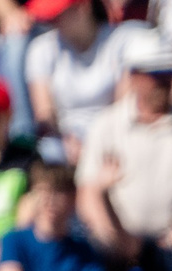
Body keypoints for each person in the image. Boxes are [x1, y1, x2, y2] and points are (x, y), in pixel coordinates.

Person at [74, 36, 172, 243]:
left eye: (168, 72)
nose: (163, 81)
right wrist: (113, 239)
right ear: (133, 76)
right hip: (115, 248)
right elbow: (87, 194)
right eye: (154, 74)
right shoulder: (106, 125)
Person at [23, 0, 126, 156]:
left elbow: (123, 107)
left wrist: (97, 143)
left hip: (112, 134)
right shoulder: (41, 48)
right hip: (64, 140)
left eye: (59, 14)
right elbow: (44, 113)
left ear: (83, 7)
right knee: (50, 150)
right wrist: (65, 139)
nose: (54, 22)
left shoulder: (120, 40)